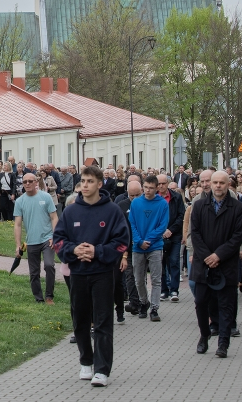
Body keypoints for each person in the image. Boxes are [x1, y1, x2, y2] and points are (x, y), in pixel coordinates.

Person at [53, 165, 130, 387]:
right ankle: (86, 361)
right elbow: (59, 241)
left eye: (90, 181)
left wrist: (97, 251)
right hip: (78, 273)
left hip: (102, 273)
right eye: (83, 181)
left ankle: (102, 369)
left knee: (103, 321)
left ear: (99, 184)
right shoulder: (70, 211)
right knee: (80, 320)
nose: (85, 185)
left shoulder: (112, 210)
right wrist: (74, 250)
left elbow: (122, 241)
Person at [190, 170, 242, 358]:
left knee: (226, 305)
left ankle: (223, 343)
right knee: (201, 302)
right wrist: (207, 256)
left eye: (222, 183)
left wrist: (218, 256)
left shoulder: (237, 208)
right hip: (203, 264)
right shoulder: (199, 206)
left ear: (228, 184)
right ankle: (204, 334)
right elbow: (195, 233)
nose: (218, 186)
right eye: (215, 183)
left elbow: (237, 237)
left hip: (226, 264)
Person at [13, 171, 58, 304]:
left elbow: (54, 217)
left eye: (30, 181)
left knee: (49, 265)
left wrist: (55, 236)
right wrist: (18, 245)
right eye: (25, 182)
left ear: (36, 182)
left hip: (47, 239)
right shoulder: (20, 201)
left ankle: (49, 296)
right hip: (31, 241)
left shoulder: (46, 197)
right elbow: (17, 225)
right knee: (34, 272)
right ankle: (39, 298)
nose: (27, 184)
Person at [128, 175, 169, 321]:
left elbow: (162, 226)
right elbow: (132, 223)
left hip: (155, 246)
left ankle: (155, 308)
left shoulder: (162, 204)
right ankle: (144, 302)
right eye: (145, 187)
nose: (148, 190)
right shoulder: (136, 203)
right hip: (138, 246)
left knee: (156, 279)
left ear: (156, 188)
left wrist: (149, 240)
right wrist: (139, 241)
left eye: (151, 188)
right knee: (139, 279)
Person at [115, 180, 142, 314]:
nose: (135, 198)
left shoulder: (145, 204)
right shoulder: (121, 206)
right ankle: (134, 302)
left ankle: (143, 301)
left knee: (140, 276)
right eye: (132, 196)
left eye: (137, 195)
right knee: (130, 275)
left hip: (142, 245)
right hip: (127, 247)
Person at [157, 174, 185, 303]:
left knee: (174, 261)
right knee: (161, 263)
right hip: (159, 236)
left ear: (167, 184)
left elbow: (181, 215)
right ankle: (164, 290)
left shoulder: (176, 197)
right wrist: (160, 231)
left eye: (163, 183)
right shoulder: (154, 198)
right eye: (159, 184)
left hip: (174, 235)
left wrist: (171, 230)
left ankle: (174, 290)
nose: (161, 186)